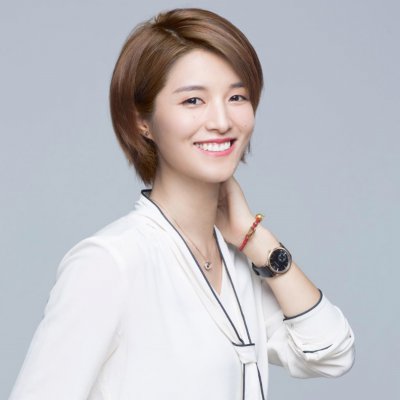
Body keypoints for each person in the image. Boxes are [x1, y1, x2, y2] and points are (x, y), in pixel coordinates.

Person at [9, 8, 355, 400]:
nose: (222, 121)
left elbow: (331, 353)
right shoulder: (111, 263)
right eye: (193, 100)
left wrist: (256, 239)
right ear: (142, 121)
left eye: (237, 97)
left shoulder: (236, 262)